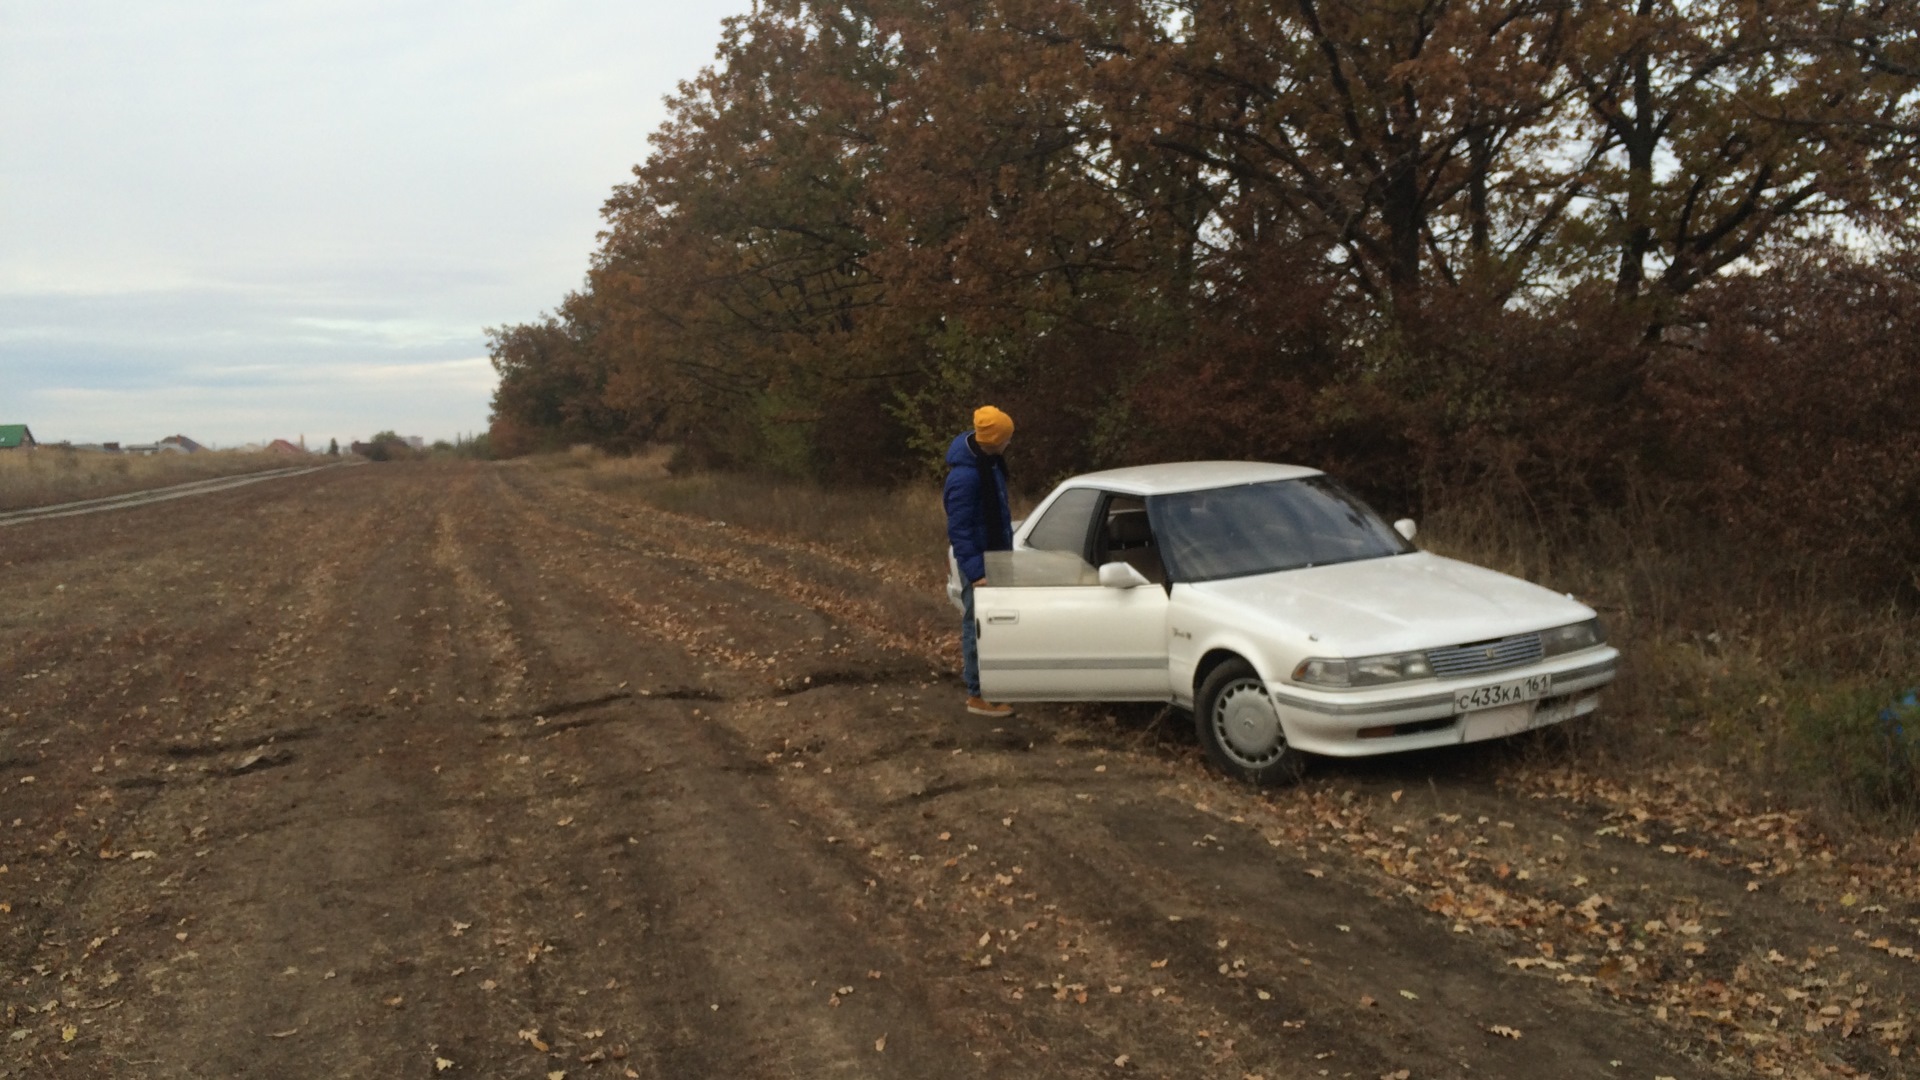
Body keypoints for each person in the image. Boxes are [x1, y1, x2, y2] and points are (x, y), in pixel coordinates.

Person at [944, 405, 1016, 718]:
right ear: (993, 440)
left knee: (995, 622)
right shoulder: (966, 477)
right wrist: (975, 573)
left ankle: (995, 684)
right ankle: (977, 694)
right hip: (979, 564)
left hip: (996, 556)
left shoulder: (989, 464)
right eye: (1006, 438)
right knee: (977, 625)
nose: (1009, 443)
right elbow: (959, 531)